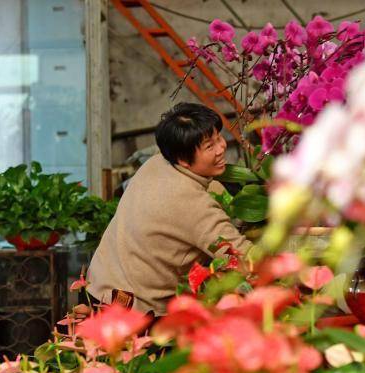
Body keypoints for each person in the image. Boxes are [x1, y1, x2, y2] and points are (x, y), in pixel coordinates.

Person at [85, 102, 252, 315]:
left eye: (219, 137)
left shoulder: (155, 163)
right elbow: (240, 255)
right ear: (183, 159)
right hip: (133, 313)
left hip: (97, 285)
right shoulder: (193, 204)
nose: (221, 148)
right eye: (209, 146)